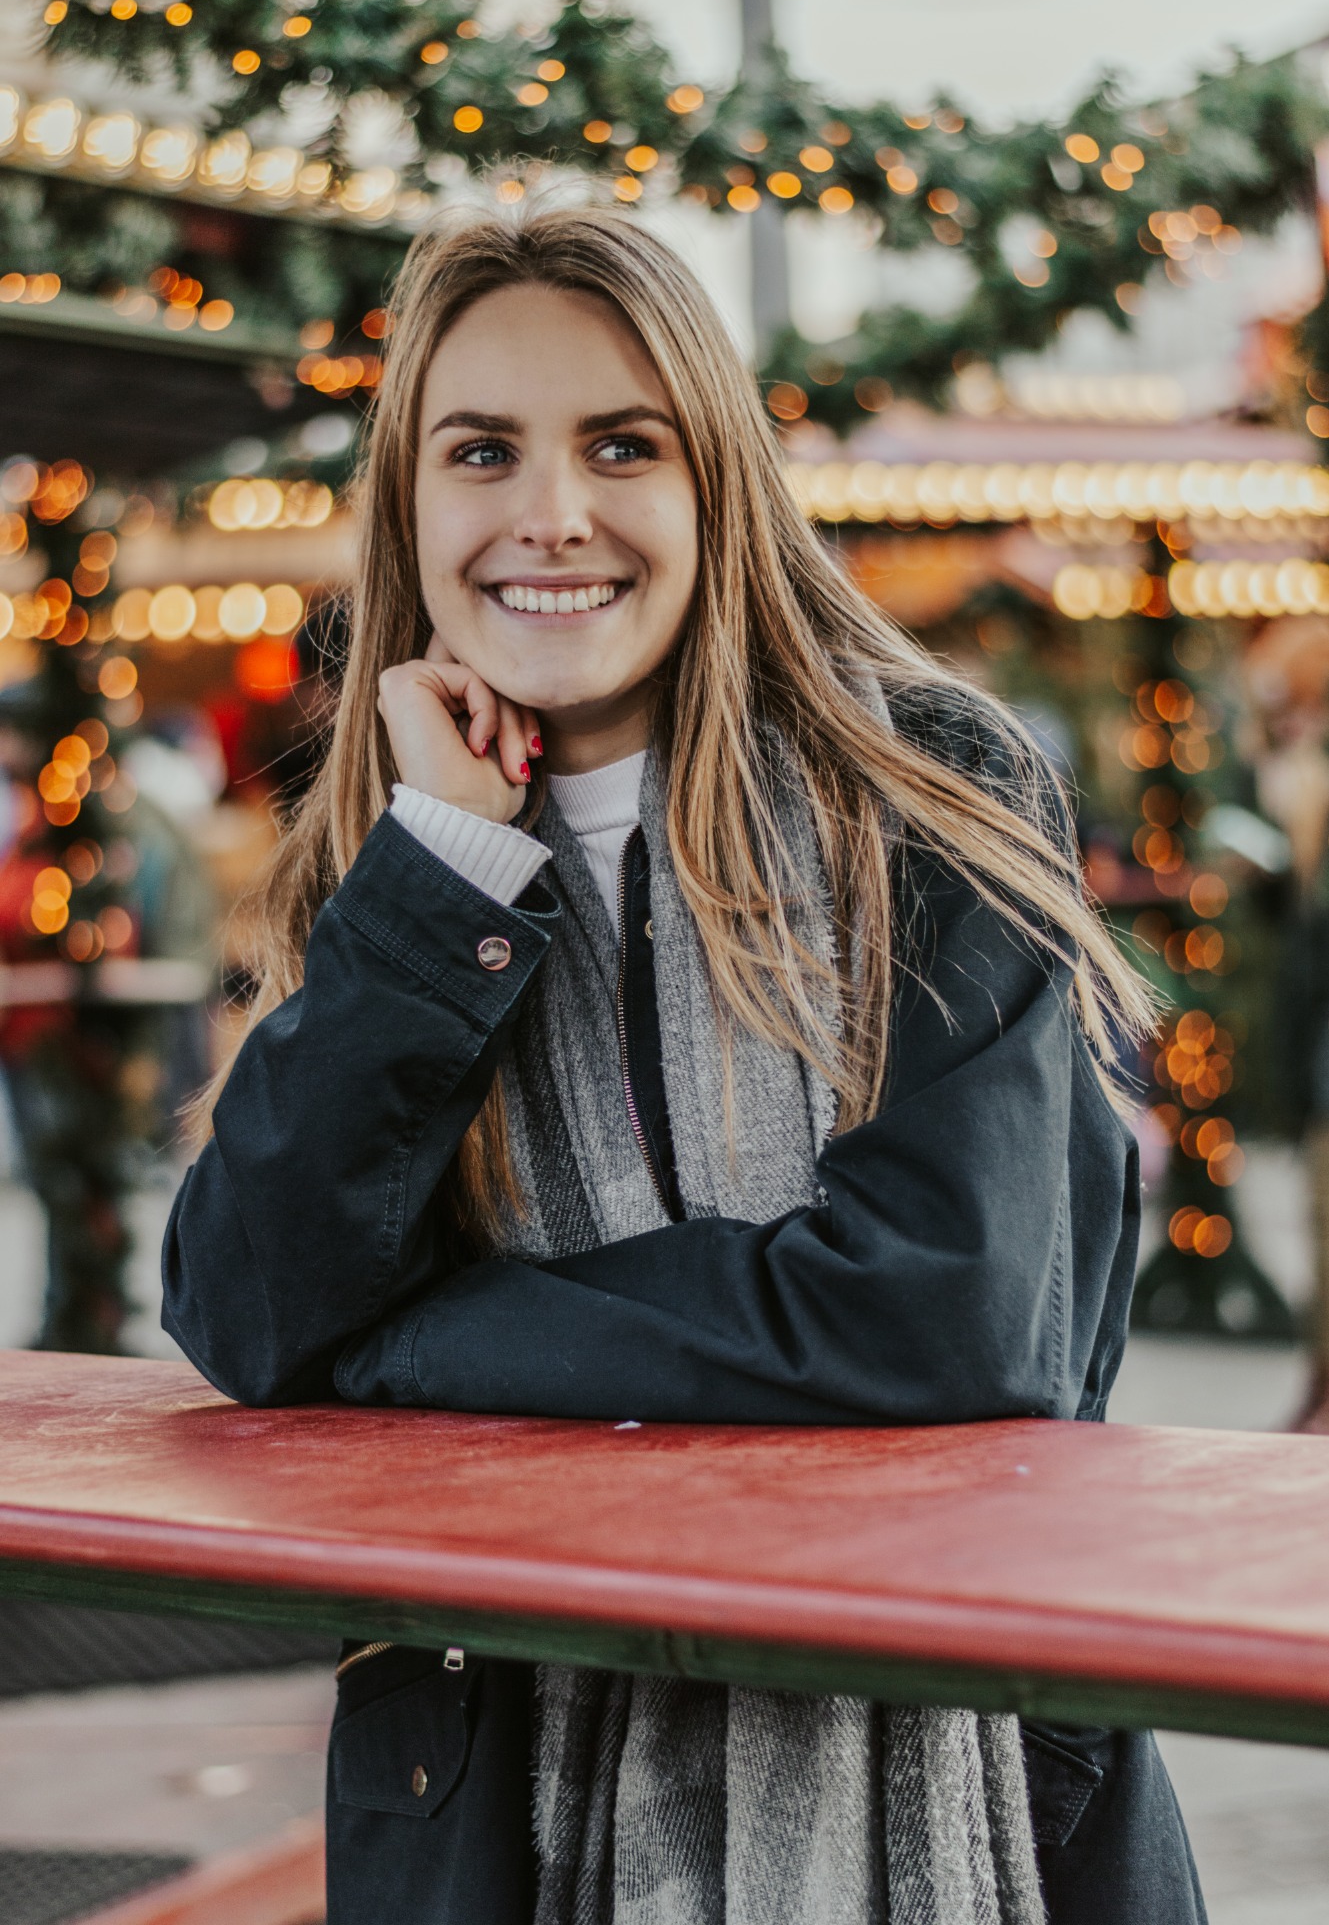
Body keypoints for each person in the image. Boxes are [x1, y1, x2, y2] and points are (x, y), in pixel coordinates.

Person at [161, 211, 1206, 1925]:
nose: (549, 514)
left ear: (713, 480)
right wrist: (440, 874)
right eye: (481, 451)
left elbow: (937, 1317)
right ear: (410, 510)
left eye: (620, 446)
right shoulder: (405, 845)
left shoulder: (924, 788)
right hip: (512, 1784)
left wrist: (408, 1341)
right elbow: (243, 1306)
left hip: (947, 1782)